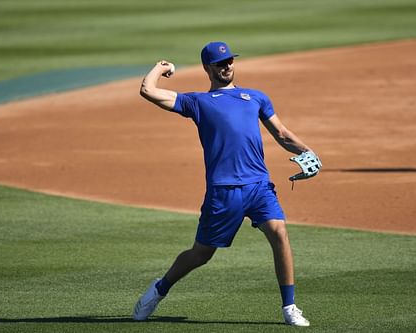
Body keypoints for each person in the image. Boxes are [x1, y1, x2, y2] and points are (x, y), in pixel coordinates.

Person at [133, 41, 315, 326]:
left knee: (279, 233)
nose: (226, 66)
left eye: (229, 61)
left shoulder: (255, 97)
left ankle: (289, 306)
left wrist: (308, 152)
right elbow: (148, 91)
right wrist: (161, 67)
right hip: (223, 191)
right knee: (201, 254)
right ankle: (160, 288)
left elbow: (282, 133)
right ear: (208, 68)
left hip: (258, 186)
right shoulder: (197, 102)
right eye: (220, 63)